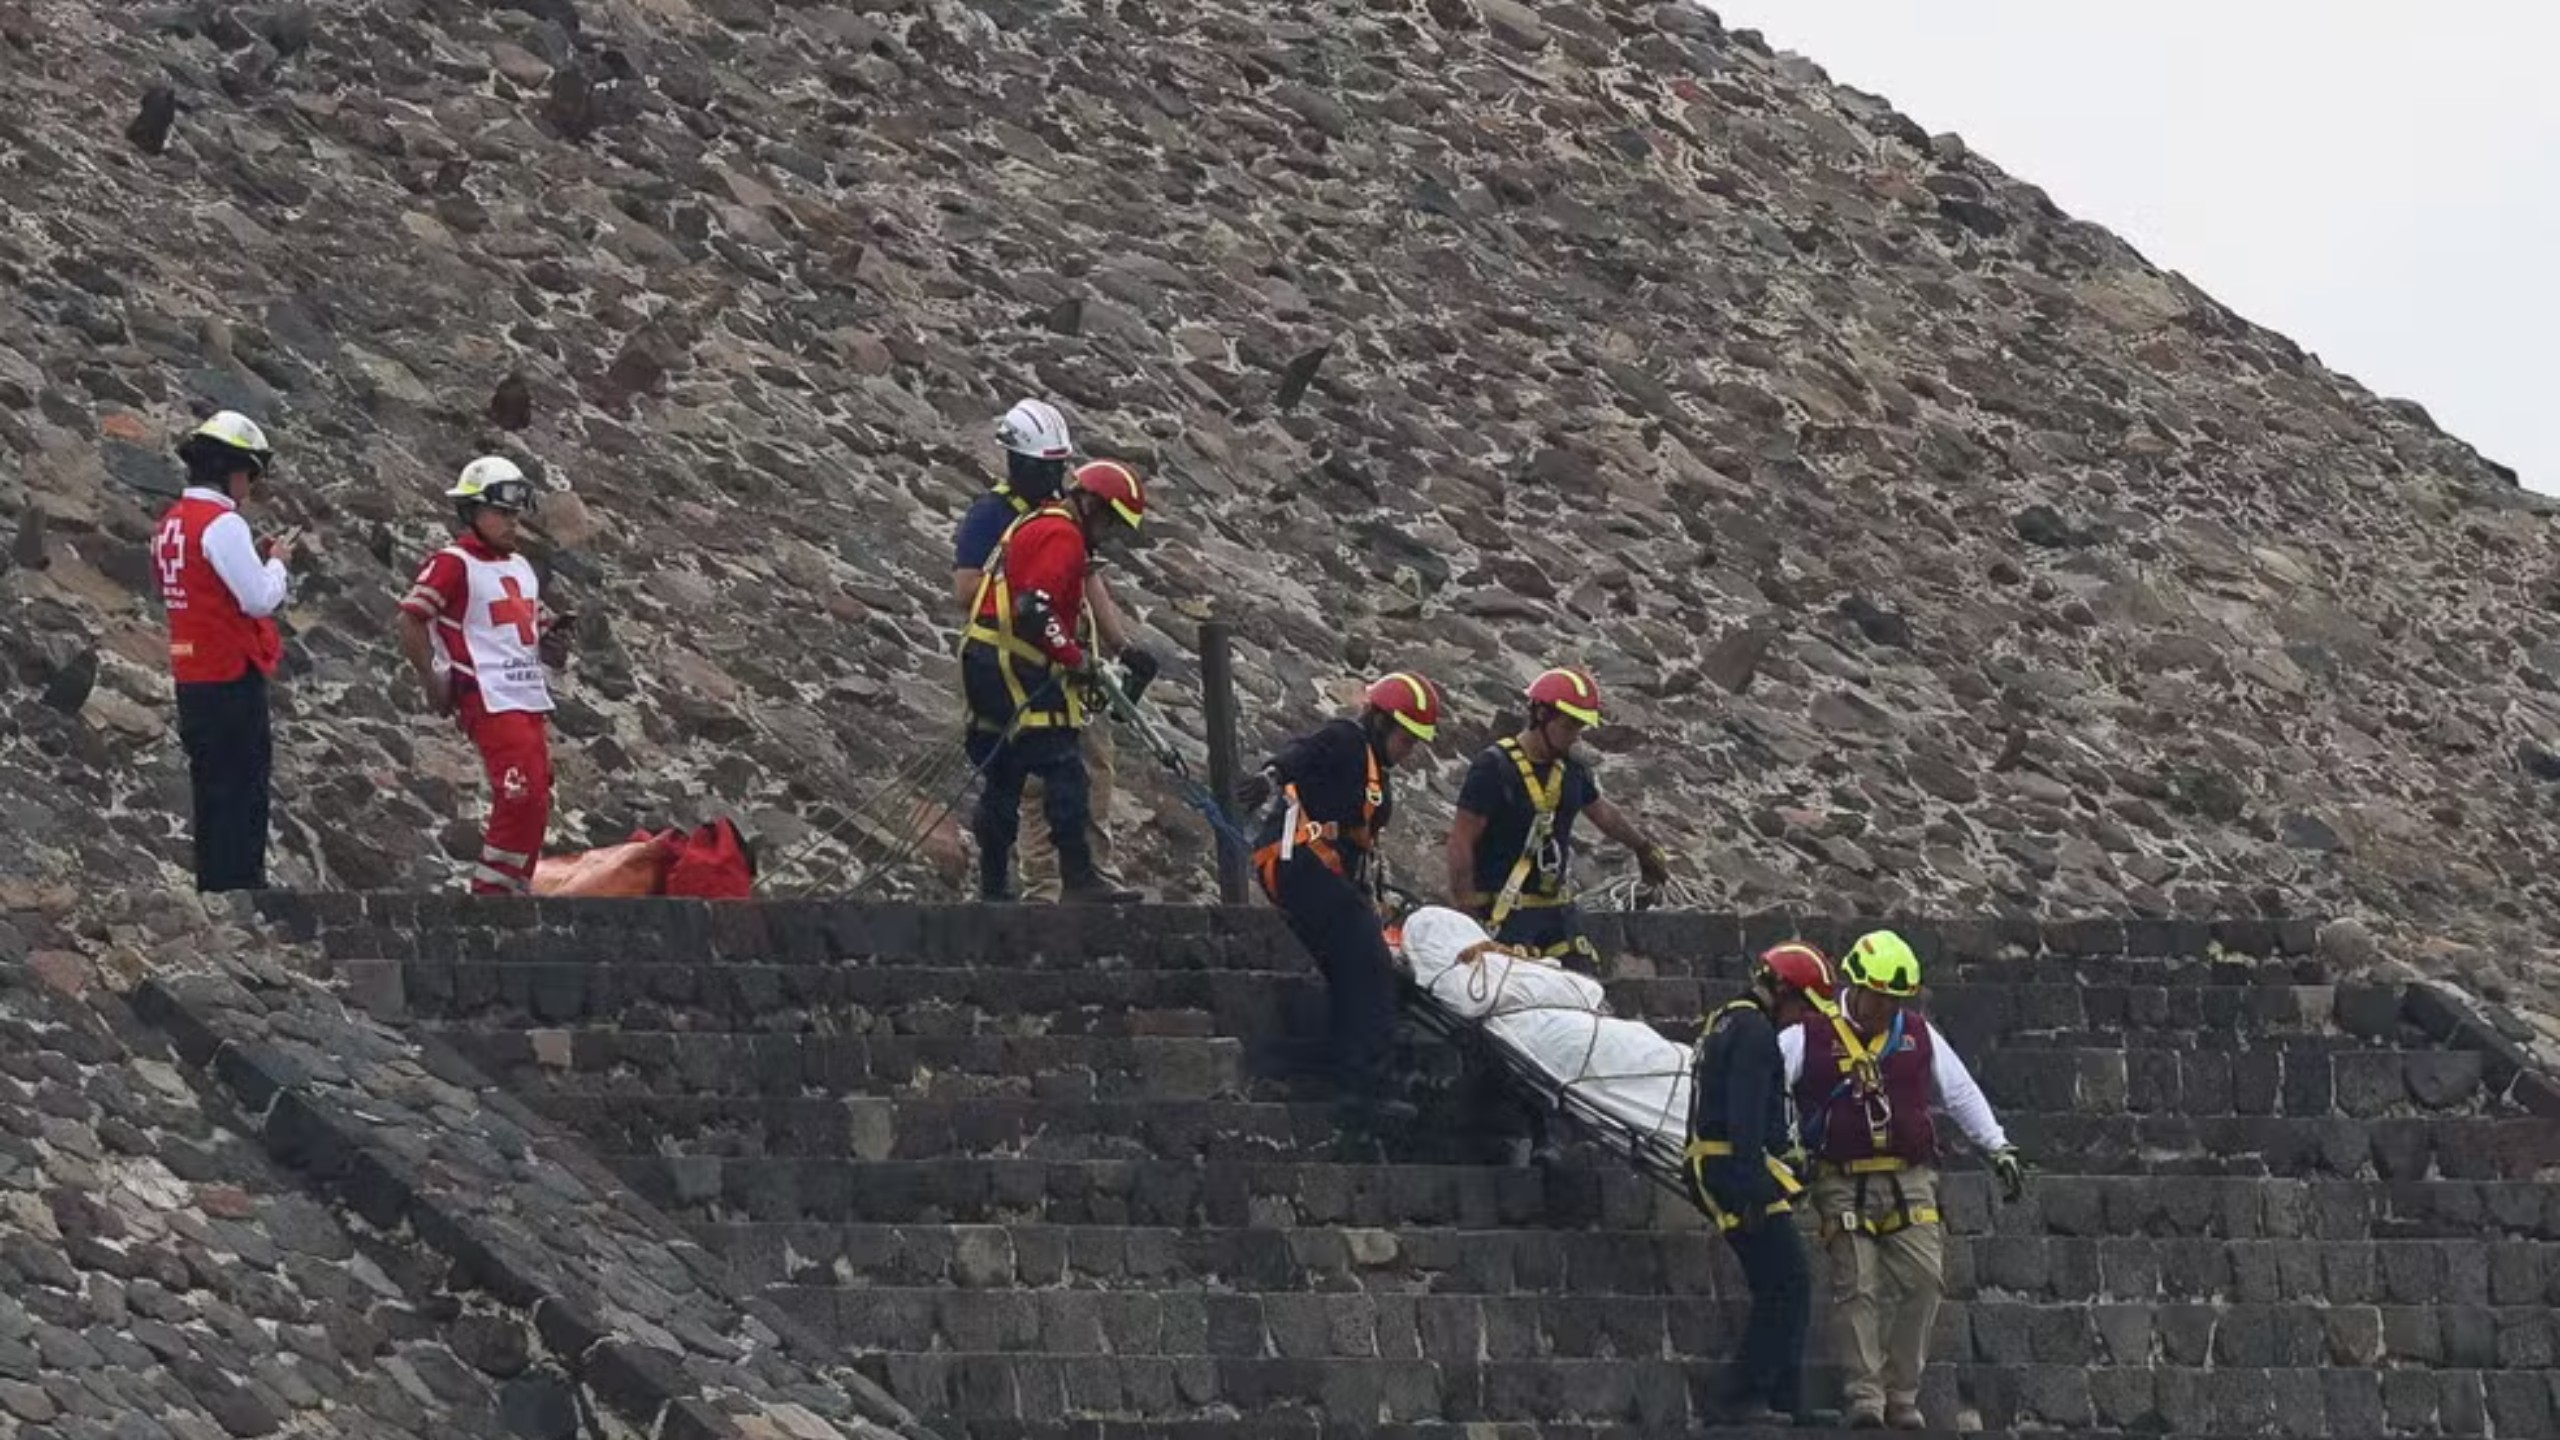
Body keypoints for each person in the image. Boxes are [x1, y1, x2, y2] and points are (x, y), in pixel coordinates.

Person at [1783, 930, 2027, 1430]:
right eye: (1880, 996)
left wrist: (1997, 1146)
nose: (1888, 1007)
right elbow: (1770, 1088)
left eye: (1897, 999)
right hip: (1841, 1179)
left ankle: (1903, 1391)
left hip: (1910, 1178)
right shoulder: (1806, 1036)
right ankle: (1865, 1395)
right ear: (1857, 986)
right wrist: (1786, 1144)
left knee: (1925, 1281)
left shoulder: (1917, 1034)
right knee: (1857, 1287)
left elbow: (1959, 1092)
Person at [951, 403, 1158, 900]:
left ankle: (995, 890)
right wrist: (1072, 657)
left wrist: (1122, 647)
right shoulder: (1046, 528)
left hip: (1003, 661)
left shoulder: (1053, 523)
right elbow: (1030, 606)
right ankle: (1071, 883)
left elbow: (1085, 584)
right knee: (1063, 772)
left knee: (1006, 777)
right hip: (1018, 664)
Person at [1239, 674, 1444, 1144]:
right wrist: (1269, 778)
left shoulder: (1375, 768)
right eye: (1406, 737)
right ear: (1380, 722)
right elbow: (1303, 754)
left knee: (1357, 967)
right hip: (1300, 866)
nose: (1410, 749)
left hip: (1326, 876)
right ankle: (1365, 1085)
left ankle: (1307, 1062)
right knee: (1367, 959)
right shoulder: (1347, 739)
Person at [396, 457, 572, 895]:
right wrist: (434, 678)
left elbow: (530, 625)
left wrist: (552, 641)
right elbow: (411, 618)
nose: (513, 522)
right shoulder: (452, 563)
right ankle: (490, 897)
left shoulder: (521, 567)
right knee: (518, 794)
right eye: (502, 512)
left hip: (527, 696)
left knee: (537, 797)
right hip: (487, 697)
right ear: (472, 511)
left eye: (516, 513)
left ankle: (515, 888)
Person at [1686, 941, 1836, 1426]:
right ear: (1784, 991)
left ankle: (1786, 1397)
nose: (1802, 1020)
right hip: (1735, 1170)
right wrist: (1753, 1189)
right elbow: (1745, 1118)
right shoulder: (1754, 1033)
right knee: (1786, 1283)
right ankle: (1740, 1395)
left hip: (1725, 1165)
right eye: (1803, 1007)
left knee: (1786, 1283)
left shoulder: (1727, 1020)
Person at [152, 412, 297, 892]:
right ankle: (241, 886)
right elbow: (258, 598)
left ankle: (214, 885)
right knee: (243, 784)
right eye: (250, 475)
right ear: (232, 470)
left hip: (190, 669)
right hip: (230, 669)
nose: (249, 487)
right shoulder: (222, 523)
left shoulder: (171, 522)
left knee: (210, 784)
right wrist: (277, 564)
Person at [1445, 665, 1672, 973]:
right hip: (1505, 915)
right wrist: (1465, 906)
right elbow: (1461, 839)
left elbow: (1602, 813)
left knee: (1585, 987)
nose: (1574, 736)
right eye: (1568, 726)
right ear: (1541, 715)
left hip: (1556, 915)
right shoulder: (1494, 768)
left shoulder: (1570, 771)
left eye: (1580, 727)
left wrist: (1642, 848)